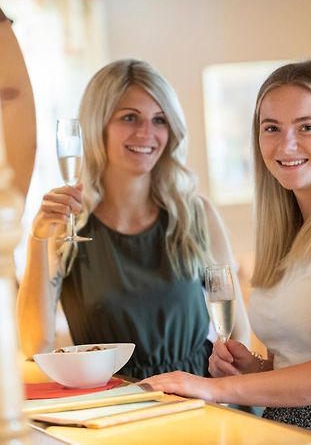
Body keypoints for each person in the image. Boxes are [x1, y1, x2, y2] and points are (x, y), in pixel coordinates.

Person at [140, 60, 311, 444]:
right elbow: (301, 362)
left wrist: (212, 389)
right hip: (288, 428)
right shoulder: (294, 233)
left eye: (307, 127)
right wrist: (253, 368)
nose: (286, 145)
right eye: (272, 128)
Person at [17, 59, 250, 380]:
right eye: (129, 117)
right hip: (112, 409)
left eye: (159, 120)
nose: (147, 133)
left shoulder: (197, 215)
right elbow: (35, 345)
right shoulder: (67, 227)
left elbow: (238, 335)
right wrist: (38, 238)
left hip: (199, 402)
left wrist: (227, 399)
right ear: (98, 126)